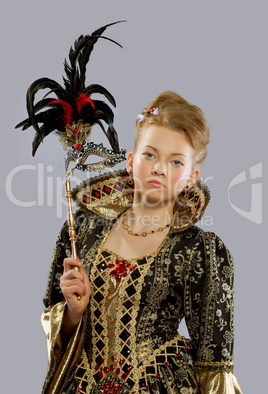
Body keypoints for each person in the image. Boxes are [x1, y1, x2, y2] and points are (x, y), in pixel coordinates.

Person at [41, 91, 243, 393]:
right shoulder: (81, 231)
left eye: (176, 162)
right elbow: (59, 330)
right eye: (150, 155)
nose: (160, 168)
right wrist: (73, 312)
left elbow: (214, 366)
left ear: (191, 177)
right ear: (132, 162)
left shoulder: (200, 251)